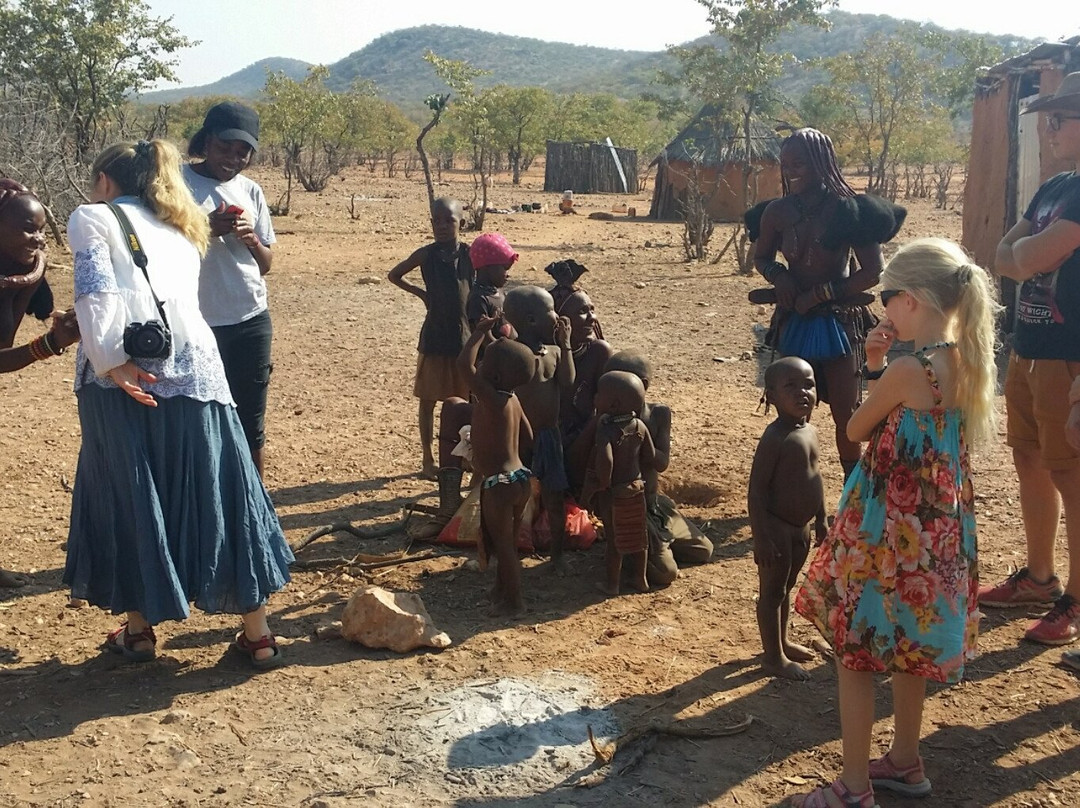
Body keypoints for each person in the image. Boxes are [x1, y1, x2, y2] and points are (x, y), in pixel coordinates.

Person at [64, 139, 293, 669]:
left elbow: (95, 294)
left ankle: (140, 630)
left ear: (105, 180)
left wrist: (108, 360)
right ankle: (257, 634)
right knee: (222, 488)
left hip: (123, 378)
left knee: (132, 492)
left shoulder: (92, 218)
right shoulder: (182, 227)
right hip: (198, 370)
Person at [791, 238, 999, 807]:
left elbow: (856, 429)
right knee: (913, 644)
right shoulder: (965, 358)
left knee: (855, 649)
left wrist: (872, 365)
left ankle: (854, 788)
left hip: (890, 527)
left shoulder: (910, 369)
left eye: (887, 298)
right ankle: (905, 761)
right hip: (939, 529)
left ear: (911, 299)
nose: (883, 310)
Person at [981, 73, 1080, 646]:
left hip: (1071, 357)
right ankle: (1040, 580)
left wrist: (1024, 256)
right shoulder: (1054, 189)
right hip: (1029, 347)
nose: (1051, 127)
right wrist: (1025, 256)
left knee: (1071, 473)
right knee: (1031, 460)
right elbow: (1005, 256)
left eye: (1062, 117)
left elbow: (1026, 253)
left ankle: (1075, 601)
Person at [747, 127, 906, 478]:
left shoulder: (847, 210)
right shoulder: (776, 212)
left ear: (821, 162)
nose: (791, 171)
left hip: (837, 321)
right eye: (786, 164)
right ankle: (793, 485)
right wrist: (781, 277)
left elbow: (873, 271)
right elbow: (761, 258)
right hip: (793, 318)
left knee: (848, 416)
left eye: (800, 163)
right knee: (790, 406)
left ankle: (854, 495)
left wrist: (822, 293)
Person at [183, 101, 276, 478]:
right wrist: (204, 229)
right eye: (225, 148)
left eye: (243, 152)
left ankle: (254, 505)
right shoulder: (177, 184)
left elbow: (266, 265)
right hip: (194, 321)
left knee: (249, 420)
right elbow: (156, 250)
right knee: (196, 417)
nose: (232, 159)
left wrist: (251, 240)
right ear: (206, 141)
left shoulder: (250, 191)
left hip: (249, 318)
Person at [0, 180, 80, 586]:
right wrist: (50, 345)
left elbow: (47, 308)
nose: (38, 239)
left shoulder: (24, 269)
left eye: (42, 230)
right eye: (28, 229)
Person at [600, 350, 713, 587]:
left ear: (642, 386)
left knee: (703, 550)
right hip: (630, 505)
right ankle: (641, 549)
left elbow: (662, 463)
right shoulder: (605, 421)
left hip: (654, 504)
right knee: (665, 574)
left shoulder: (658, 414)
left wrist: (638, 441)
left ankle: (654, 543)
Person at [749, 357, 826, 681]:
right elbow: (756, 492)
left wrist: (821, 518)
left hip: (801, 528)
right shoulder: (775, 438)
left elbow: (815, 476)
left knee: (786, 587)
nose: (802, 393)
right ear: (771, 395)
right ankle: (772, 658)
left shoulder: (809, 430)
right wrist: (761, 537)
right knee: (772, 593)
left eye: (808, 384)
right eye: (790, 386)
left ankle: (781, 643)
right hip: (777, 527)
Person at [388, 197, 473, 479]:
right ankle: (428, 458)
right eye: (436, 221)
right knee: (428, 400)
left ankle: (467, 455)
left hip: (464, 338)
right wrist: (422, 294)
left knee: (467, 400)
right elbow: (395, 275)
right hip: (435, 336)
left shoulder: (471, 255)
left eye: (449, 220)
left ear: (462, 222)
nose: (442, 227)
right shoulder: (426, 255)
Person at [457, 319, 535, 615]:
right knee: (508, 541)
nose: (481, 363)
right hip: (519, 478)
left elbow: (464, 365)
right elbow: (527, 436)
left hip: (498, 484)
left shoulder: (491, 399)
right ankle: (502, 591)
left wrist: (477, 333)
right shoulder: (512, 400)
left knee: (504, 548)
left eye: (486, 361)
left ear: (497, 374)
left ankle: (515, 603)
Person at [503, 286, 574, 565]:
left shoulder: (555, 352)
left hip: (548, 436)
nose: (557, 317)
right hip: (517, 438)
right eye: (552, 311)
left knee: (554, 496)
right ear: (532, 320)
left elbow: (567, 383)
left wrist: (566, 344)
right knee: (515, 498)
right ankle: (510, 553)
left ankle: (556, 555)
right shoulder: (512, 353)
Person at [583, 370, 655, 596]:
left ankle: (612, 584)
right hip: (637, 488)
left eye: (599, 394)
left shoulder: (606, 430)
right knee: (638, 536)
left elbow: (606, 461)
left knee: (615, 541)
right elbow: (650, 456)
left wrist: (600, 485)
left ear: (613, 404)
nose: (595, 397)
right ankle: (640, 580)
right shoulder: (639, 427)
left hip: (614, 492)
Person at [558, 289, 613, 450]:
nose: (593, 318)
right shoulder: (547, 353)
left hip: (586, 437)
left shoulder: (598, 352)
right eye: (583, 312)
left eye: (592, 310)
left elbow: (606, 408)